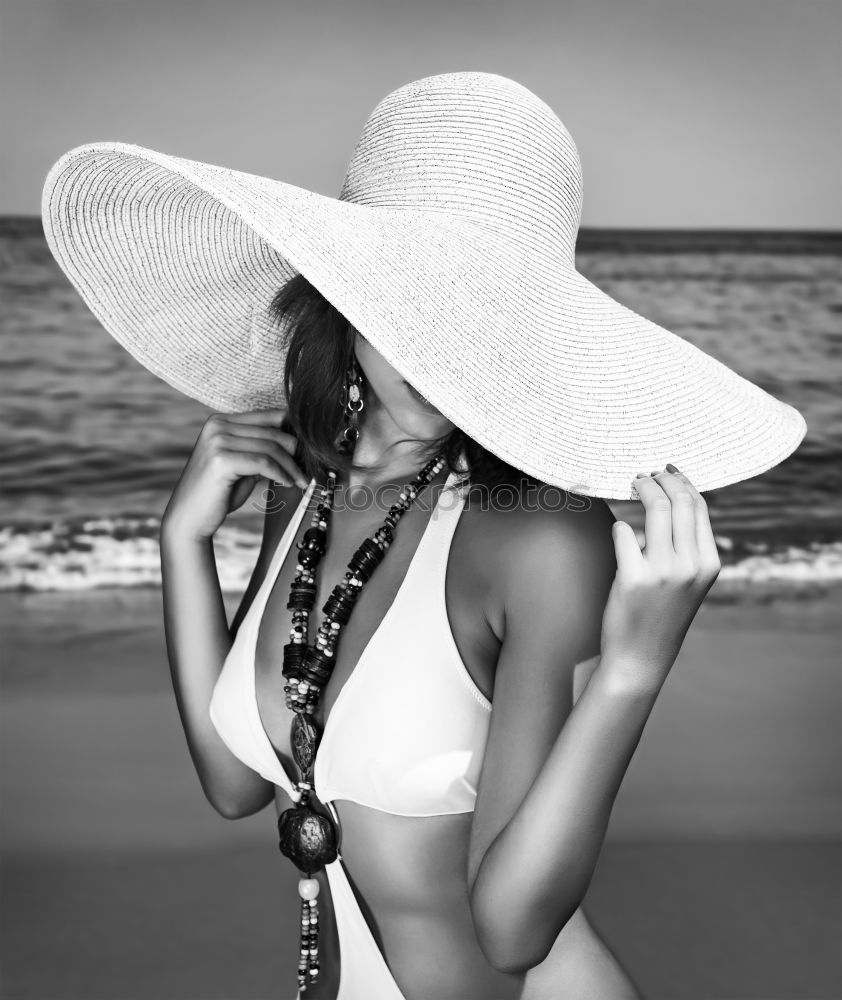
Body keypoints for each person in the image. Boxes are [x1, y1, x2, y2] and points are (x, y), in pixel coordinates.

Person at [42, 72, 806, 1000]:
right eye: (420, 301)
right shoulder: (309, 492)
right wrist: (183, 544)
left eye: (492, 312)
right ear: (349, 294)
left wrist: (633, 670)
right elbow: (241, 785)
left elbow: (514, 932)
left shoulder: (542, 540)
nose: (452, 354)